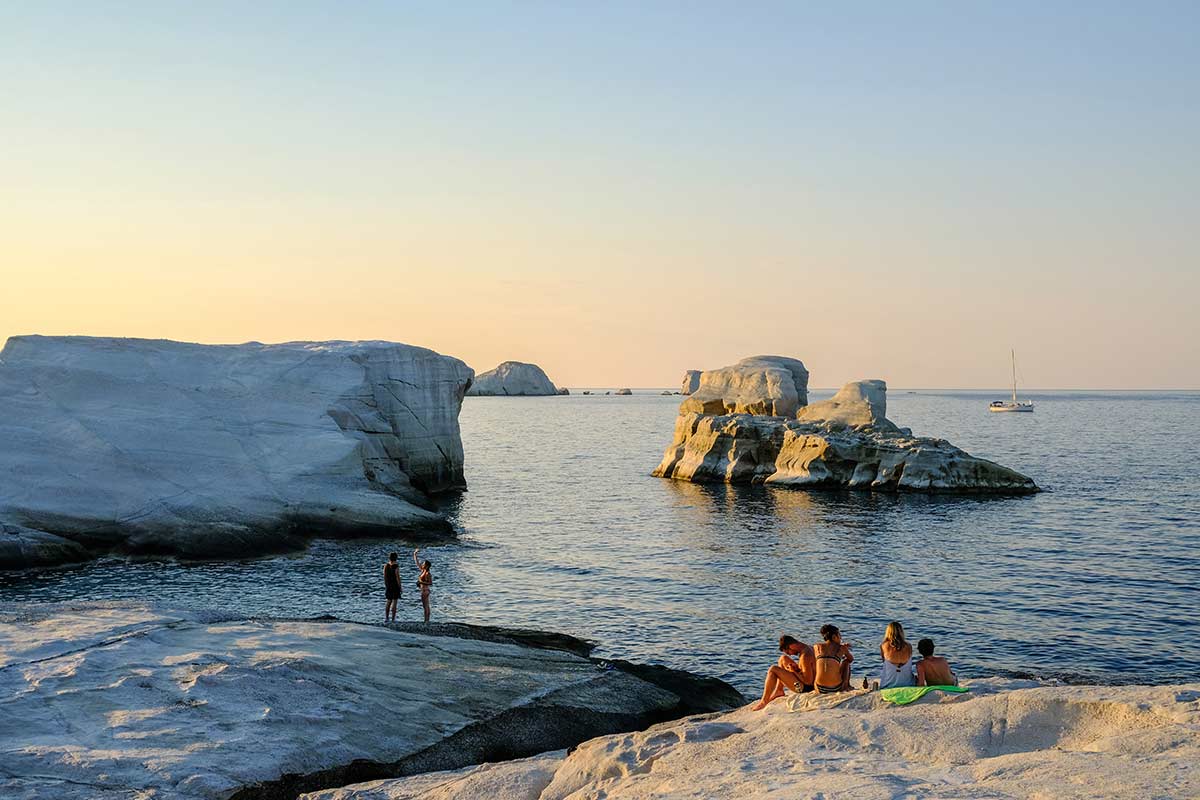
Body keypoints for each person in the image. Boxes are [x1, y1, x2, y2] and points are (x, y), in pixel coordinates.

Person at [752, 634, 816, 710]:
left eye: (788, 652)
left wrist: (793, 671)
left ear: (791, 646)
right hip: (805, 682)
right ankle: (779, 690)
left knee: (773, 669)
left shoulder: (805, 656)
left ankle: (764, 701)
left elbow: (808, 681)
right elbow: (809, 669)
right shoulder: (808, 648)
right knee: (783, 658)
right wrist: (797, 669)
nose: (791, 655)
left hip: (803, 688)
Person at [813, 624, 853, 693]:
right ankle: (846, 686)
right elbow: (850, 659)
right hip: (836, 688)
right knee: (846, 663)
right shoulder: (841, 648)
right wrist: (845, 649)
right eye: (839, 636)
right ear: (834, 637)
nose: (841, 638)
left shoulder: (816, 647)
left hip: (819, 688)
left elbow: (828, 656)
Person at [879, 621, 916, 688]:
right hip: (908, 683)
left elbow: (884, 661)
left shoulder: (883, 646)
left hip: (888, 684)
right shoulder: (909, 646)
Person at [414, 548, 433, 623]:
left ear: (427, 566)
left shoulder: (428, 573)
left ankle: (426, 620)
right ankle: (427, 620)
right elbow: (417, 563)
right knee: (426, 606)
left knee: (425, 606)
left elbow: (430, 583)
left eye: (424, 564)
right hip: (424, 590)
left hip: (425, 590)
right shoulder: (423, 571)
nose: (422, 564)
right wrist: (415, 554)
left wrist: (421, 582)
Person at [383, 552, 402, 623]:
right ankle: (393, 619)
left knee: (388, 601)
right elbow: (398, 577)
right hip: (395, 585)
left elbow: (384, 576)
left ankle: (386, 618)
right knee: (395, 602)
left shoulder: (386, 565)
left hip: (388, 585)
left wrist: (386, 585)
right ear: (396, 558)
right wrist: (400, 587)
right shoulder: (396, 566)